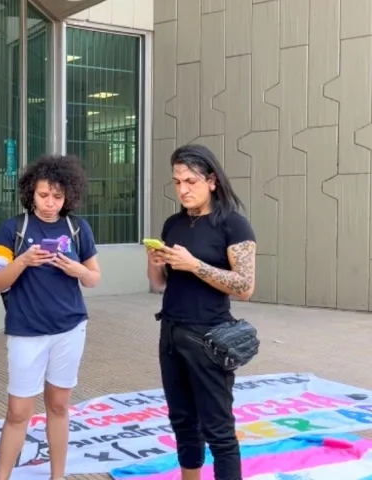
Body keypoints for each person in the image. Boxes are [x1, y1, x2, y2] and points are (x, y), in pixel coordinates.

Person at [0, 154, 101, 480]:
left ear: (68, 196)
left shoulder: (78, 228)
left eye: (58, 196)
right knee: (18, 412)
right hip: (26, 331)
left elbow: (93, 277)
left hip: (70, 328)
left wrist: (76, 268)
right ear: (30, 194)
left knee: (59, 406)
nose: (50, 203)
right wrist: (23, 261)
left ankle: (58, 476)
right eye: (43, 195)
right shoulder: (13, 229)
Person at [147, 144, 257, 480]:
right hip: (171, 334)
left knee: (218, 430)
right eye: (177, 181)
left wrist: (195, 265)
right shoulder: (173, 224)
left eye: (190, 181)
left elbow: (246, 287)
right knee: (182, 421)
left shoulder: (234, 225)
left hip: (210, 338)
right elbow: (159, 285)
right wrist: (155, 265)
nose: (183, 189)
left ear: (211, 180)